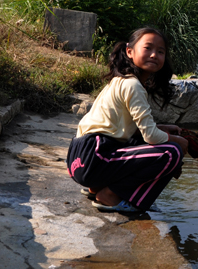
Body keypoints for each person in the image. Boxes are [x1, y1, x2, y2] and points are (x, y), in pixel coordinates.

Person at [66, 27, 189, 212]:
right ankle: (113, 195)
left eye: (160, 51)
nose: (154, 55)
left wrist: (164, 128)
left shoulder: (120, 80)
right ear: (129, 52)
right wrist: (180, 142)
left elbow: (128, 127)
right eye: (148, 48)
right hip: (95, 155)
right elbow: (151, 137)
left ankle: (97, 187)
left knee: (148, 140)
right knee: (172, 152)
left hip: (79, 159)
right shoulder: (133, 85)